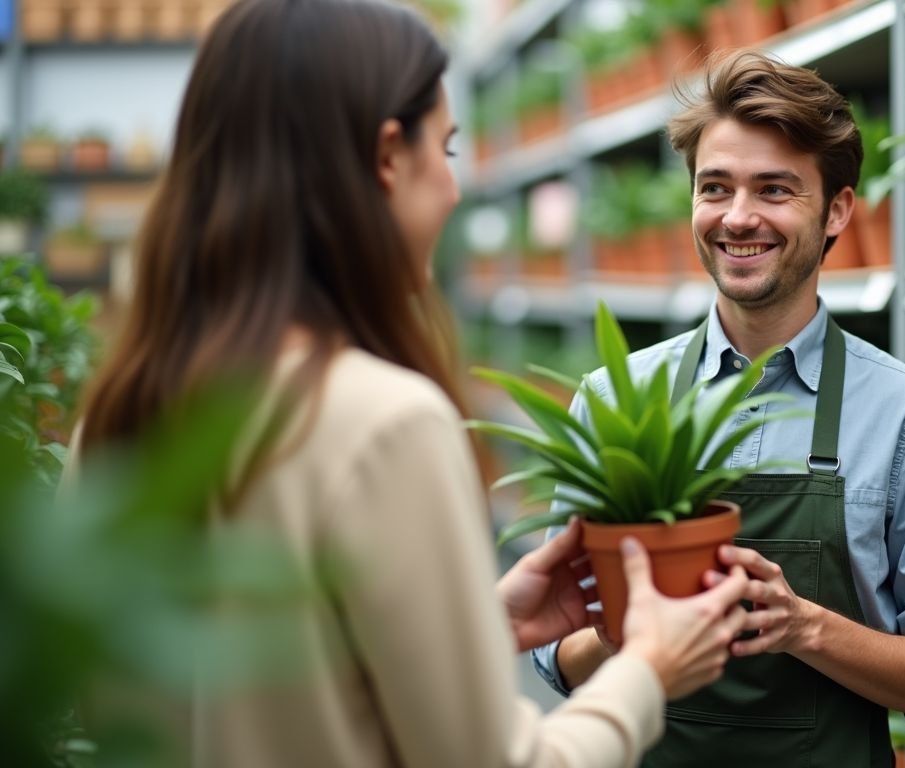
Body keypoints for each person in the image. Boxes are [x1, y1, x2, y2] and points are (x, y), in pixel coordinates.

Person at [68, 1, 751, 766]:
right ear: (389, 155)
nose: (454, 192)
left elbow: (235, 687)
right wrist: (646, 673)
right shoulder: (382, 420)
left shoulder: (125, 406)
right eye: (448, 150)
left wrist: (471, 627)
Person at [533, 50, 905, 766]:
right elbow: (551, 658)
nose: (739, 217)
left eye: (775, 190)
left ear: (838, 209)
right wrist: (626, 632)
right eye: (714, 187)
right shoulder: (615, 402)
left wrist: (805, 627)